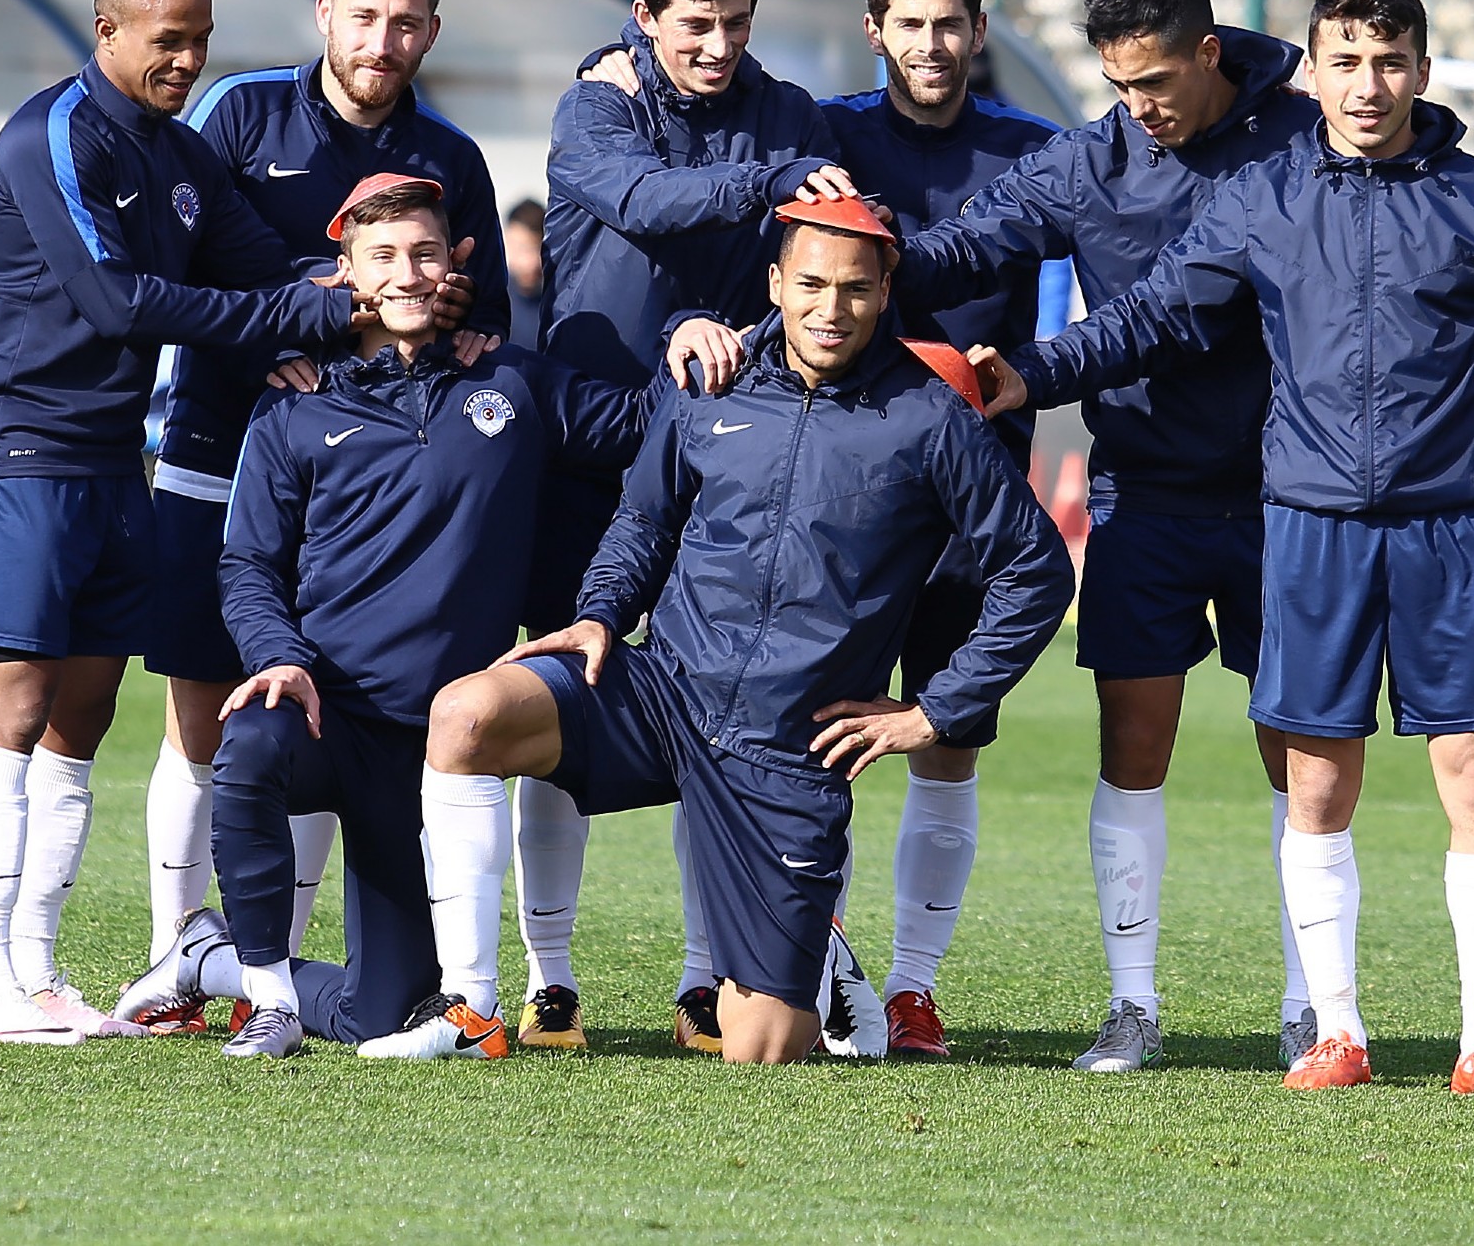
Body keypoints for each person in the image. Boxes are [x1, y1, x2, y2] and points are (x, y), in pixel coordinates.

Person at [988, 0, 1474, 1099]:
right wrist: (1033, 374)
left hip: (1459, 531)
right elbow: (1155, 313)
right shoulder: (1263, 195)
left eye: (1390, 61)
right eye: (1345, 61)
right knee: (1315, 787)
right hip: (1307, 529)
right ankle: (1335, 1034)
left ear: (1422, 69)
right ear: (1312, 71)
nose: (1369, 84)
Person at [355, 197, 1075, 1065]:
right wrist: (599, 613)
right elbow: (643, 519)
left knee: (762, 1049)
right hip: (664, 693)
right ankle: (471, 1007)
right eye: (810, 284)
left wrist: (935, 713)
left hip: (787, 745)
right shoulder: (712, 386)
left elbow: (1037, 572)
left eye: (855, 289)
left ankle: (820, 961)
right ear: (775, 283)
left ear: (885, 293)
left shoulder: (932, 417)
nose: (830, 308)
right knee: (466, 715)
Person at [837, 0, 1324, 1072]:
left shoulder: (1298, 140)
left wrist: (1035, 373)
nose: (1137, 107)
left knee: (1300, 754)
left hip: (1290, 493)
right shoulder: (1088, 160)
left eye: (1154, 82)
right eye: (1118, 86)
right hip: (1144, 492)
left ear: (1209, 53)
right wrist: (860, 254)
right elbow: (968, 247)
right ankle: (1132, 1008)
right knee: (1132, 750)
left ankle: (1313, 1007)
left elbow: (1168, 314)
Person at [114, 174, 719, 1056]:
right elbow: (246, 565)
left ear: (454, 264)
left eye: (425, 254)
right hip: (324, 717)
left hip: (435, 755)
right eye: (384, 257)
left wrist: (686, 334)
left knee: (381, 1011)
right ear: (347, 272)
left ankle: (207, 958)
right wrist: (277, 656)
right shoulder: (294, 402)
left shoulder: (512, 382)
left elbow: (639, 424)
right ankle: (271, 998)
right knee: (247, 744)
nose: (407, 274)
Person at [0, 0, 367, 1045]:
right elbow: (117, 300)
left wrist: (372, 288)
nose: (187, 60)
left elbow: (260, 267)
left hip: (110, 458)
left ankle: (37, 974)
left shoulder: (182, 154)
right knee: (12, 712)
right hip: (12, 452)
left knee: (82, 717)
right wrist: (297, 318)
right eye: (168, 40)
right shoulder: (51, 134)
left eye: (201, 40)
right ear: (108, 30)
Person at [137, 0, 506, 1015]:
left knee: (313, 707)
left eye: (406, 23)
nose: (383, 42)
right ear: (325, 16)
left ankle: (266, 970)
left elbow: (483, 321)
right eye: (364, 17)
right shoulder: (240, 115)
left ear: (432, 30)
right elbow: (179, 269)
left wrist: (449, 310)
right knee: (204, 714)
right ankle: (176, 951)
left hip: (360, 490)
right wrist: (280, 327)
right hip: (218, 451)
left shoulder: (453, 160)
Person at [517, 0, 852, 1054]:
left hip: (725, 461)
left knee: (729, 718)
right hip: (586, 447)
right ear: (645, 15)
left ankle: (708, 977)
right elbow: (639, 199)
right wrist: (772, 178)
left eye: (737, 23)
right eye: (695, 25)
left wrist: (727, 320)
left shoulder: (788, 112)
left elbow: (812, 261)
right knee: (558, 706)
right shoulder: (597, 102)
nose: (718, 47)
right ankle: (551, 977)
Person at [816, 0, 1066, 1058]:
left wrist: (1033, 369)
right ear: (875, 31)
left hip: (977, 494)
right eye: (909, 24)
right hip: (840, 491)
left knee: (946, 737)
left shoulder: (1036, 152)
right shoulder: (824, 139)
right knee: (818, 732)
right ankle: (816, 963)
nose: (931, 43)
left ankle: (914, 989)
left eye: (950, 22)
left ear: (979, 28)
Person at [504, 198, 546, 348]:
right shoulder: (489, 301)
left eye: (538, 250)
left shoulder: (562, 302)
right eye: (521, 248)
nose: (530, 262)